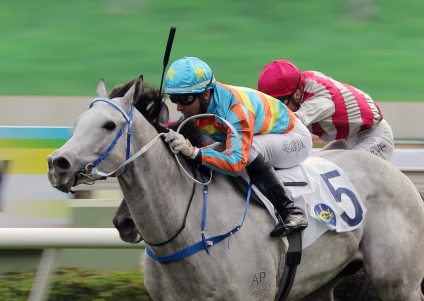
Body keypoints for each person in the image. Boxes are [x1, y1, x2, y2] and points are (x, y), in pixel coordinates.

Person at [163, 56, 312, 237]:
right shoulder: (198, 105)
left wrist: (194, 152)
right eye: (174, 98)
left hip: (293, 138)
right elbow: (178, 129)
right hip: (265, 134)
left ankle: (291, 211)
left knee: (248, 151)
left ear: (206, 94)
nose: (179, 107)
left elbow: (236, 163)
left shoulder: (235, 109)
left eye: (185, 99)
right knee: (205, 153)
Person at [257, 60, 394, 161]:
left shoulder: (321, 99)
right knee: (317, 170)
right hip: (347, 139)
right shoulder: (301, 83)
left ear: (297, 94)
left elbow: (290, 123)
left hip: (374, 136)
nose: (276, 109)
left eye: (279, 103)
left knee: (340, 176)